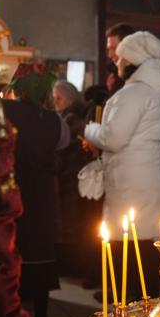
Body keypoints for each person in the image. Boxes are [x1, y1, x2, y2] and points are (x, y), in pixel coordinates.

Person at [84, 31, 160, 301]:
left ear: (133, 60)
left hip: (131, 180)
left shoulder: (135, 93)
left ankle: (131, 312)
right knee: (144, 246)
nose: (117, 62)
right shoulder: (151, 92)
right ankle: (142, 307)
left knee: (130, 247)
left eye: (121, 57)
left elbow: (113, 138)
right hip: (147, 176)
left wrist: (89, 129)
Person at [0, 63, 65, 317]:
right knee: (38, 259)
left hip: (9, 194)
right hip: (40, 198)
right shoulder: (55, 120)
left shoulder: (4, 110)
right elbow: (61, 144)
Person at [51, 80, 94, 279]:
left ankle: (74, 266)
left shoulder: (73, 119)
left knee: (74, 224)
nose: (55, 102)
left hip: (72, 176)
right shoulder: (64, 117)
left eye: (58, 99)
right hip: (66, 176)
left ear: (68, 99)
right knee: (67, 224)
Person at [104, 23, 135, 95]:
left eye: (114, 48)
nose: (110, 55)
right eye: (109, 49)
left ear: (129, 48)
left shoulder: (143, 77)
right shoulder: (114, 75)